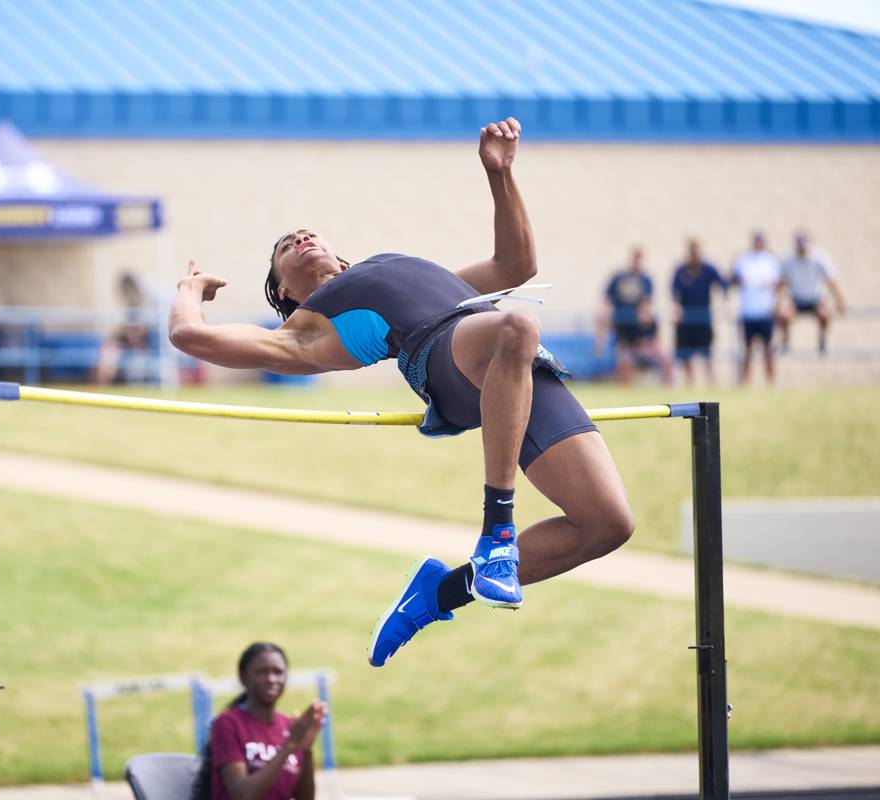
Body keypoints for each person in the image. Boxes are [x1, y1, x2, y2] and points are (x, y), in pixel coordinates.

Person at [168, 118, 635, 669]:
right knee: (516, 326)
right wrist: (190, 288)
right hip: (448, 358)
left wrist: (500, 176)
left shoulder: (404, 270)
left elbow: (516, 267)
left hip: (514, 367)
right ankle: (497, 531)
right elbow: (188, 335)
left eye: (306, 232)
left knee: (607, 524)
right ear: (286, 292)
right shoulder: (304, 333)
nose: (299, 237)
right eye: (284, 249)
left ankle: (438, 594)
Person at [191, 642, 325, 800]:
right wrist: (289, 745)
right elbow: (242, 795)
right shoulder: (227, 724)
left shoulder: (290, 726)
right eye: (262, 672)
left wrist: (306, 750)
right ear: (243, 676)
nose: (271, 679)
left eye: (278, 672)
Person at [600, 247, 669, 384]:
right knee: (624, 359)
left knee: (664, 356)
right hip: (623, 327)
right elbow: (607, 301)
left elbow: (647, 303)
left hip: (640, 331)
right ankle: (624, 386)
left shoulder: (645, 279)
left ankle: (665, 385)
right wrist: (605, 320)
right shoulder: (619, 278)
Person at [777, 232, 846, 356]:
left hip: (815, 298)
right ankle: (786, 342)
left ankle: (822, 342)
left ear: (810, 246)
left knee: (825, 315)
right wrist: (777, 304)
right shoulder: (788, 260)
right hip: (796, 299)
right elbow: (782, 284)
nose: (802, 251)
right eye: (800, 248)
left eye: (804, 247)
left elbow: (831, 282)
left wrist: (840, 301)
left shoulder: (820, 258)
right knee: (784, 316)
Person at [670, 239, 727, 386]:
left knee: (707, 355)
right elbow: (674, 293)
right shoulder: (681, 271)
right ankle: (690, 383)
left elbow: (723, 284)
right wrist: (676, 309)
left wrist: (724, 304)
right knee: (685, 356)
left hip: (703, 320)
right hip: (685, 322)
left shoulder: (708, 269)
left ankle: (712, 383)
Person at [729, 231, 783, 385]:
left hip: (766, 312)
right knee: (746, 351)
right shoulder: (742, 261)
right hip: (748, 312)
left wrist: (777, 305)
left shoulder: (772, 261)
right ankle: (745, 382)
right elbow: (732, 280)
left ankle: (771, 383)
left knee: (768, 351)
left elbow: (780, 285)